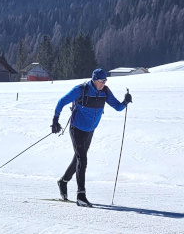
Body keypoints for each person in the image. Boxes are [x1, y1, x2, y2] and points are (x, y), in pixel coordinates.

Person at [52, 68, 132, 207]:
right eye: (101, 81)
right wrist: (55, 120)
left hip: (90, 131)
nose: (103, 83)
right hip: (76, 128)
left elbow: (118, 107)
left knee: (78, 158)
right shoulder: (81, 89)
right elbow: (62, 101)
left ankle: (63, 181)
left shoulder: (105, 92)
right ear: (94, 80)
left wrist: (125, 102)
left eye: (105, 80)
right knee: (82, 159)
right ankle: (81, 195)